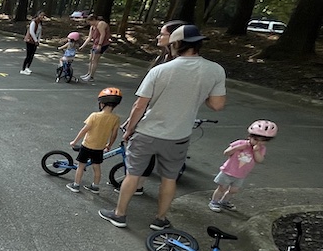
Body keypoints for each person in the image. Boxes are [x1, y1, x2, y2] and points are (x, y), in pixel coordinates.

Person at [99, 24, 226, 230]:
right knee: (169, 178)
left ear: (176, 44)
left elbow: (139, 105)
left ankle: (119, 214)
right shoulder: (215, 70)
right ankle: (160, 219)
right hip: (179, 135)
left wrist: (129, 129)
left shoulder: (160, 70)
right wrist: (197, 93)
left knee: (133, 174)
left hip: (147, 132)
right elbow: (217, 105)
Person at [209, 120, 276, 212]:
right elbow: (226, 153)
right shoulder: (240, 143)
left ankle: (224, 201)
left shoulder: (261, 149)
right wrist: (237, 148)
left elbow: (259, 160)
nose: (258, 143)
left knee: (233, 190)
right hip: (228, 171)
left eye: (263, 141)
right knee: (222, 188)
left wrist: (256, 151)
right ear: (249, 137)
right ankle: (214, 202)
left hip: (241, 175)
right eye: (256, 139)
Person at [66, 87, 123, 193]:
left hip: (87, 145)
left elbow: (84, 130)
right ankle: (95, 187)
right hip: (99, 148)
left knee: (81, 166)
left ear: (102, 104)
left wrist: (74, 141)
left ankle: (76, 185)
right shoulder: (115, 119)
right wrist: (109, 145)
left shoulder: (94, 116)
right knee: (97, 167)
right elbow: (114, 135)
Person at [78, 13, 111, 82]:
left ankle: (91, 76)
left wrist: (100, 45)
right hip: (95, 44)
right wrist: (82, 46)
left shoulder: (101, 24)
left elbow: (103, 35)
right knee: (91, 59)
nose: (89, 23)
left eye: (90, 22)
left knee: (94, 60)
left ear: (93, 20)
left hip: (102, 44)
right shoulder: (92, 27)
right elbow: (89, 37)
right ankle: (88, 74)